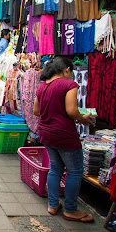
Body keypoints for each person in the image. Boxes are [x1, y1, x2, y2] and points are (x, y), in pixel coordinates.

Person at [33, 56, 95, 223]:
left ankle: (53, 205)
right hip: (64, 134)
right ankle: (70, 210)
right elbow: (72, 111)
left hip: (46, 133)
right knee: (74, 172)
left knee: (55, 169)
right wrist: (83, 118)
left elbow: (36, 111)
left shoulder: (42, 87)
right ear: (67, 70)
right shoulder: (69, 85)